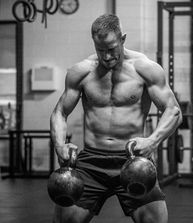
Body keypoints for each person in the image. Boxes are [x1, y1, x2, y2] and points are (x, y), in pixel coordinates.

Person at [50, 14, 182, 223]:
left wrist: (152, 141)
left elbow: (173, 111)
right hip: (91, 162)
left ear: (123, 39)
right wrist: (60, 145)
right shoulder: (81, 71)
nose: (106, 56)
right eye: (100, 50)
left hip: (133, 161)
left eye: (111, 49)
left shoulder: (145, 69)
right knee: (65, 221)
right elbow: (59, 112)